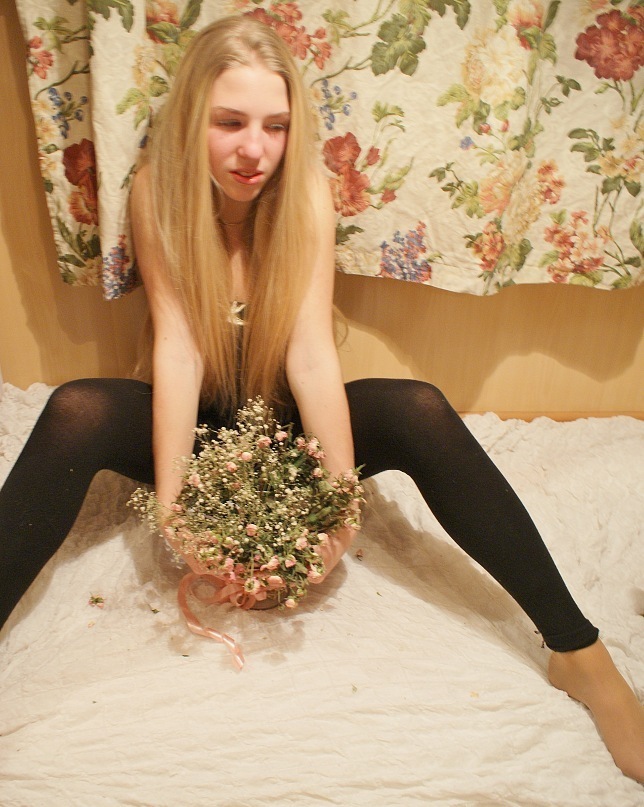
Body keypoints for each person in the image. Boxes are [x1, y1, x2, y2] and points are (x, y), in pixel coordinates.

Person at [0, 15, 642, 782]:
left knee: (418, 406)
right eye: (230, 122)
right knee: (74, 408)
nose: (254, 149)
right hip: (201, 422)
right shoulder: (156, 193)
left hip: (285, 427)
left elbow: (309, 353)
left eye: (274, 126)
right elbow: (178, 347)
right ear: (193, 118)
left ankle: (579, 651)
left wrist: (340, 505)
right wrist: (173, 506)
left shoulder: (305, 194)